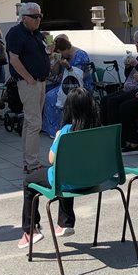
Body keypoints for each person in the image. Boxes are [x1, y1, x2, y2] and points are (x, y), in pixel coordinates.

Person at [17, 88, 100, 249]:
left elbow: (52, 159)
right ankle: (65, 222)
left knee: (29, 182)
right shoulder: (99, 128)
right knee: (66, 173)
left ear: (69, 109)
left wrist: (57, 137)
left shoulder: (66, 131)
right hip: (94, 179)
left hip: (69, 180)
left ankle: (30, 230)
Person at [5, 2, 51, 172]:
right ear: (24, 18)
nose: (38, 19)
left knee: (30, 122)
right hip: (29, 83)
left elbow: (44, 53)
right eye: (34, 16)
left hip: (40, 81)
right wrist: (29, 79)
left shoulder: (36, 33)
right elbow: (14, 60)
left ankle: (29, 161)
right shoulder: (16, 34)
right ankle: (32, 163)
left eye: (40, 16)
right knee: (34, 123)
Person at [98, 27, 138, 138]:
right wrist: (128, 66)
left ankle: (119, 136)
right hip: (129, 87)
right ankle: (109, 131)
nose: (136, 45)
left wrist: (136, 64)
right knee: (104, 100)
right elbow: (128, 76)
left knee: (113, 102)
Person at [42, 37, 93, 137]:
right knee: (47, 90)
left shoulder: (80, 55)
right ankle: (50, 127)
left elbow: (80, 76)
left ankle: (57, 128)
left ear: (65, 49)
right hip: (66, 84)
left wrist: (67, 66)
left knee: (51, 96)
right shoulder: (64, 57)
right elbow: (55, 73)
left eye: (60, 52)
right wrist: (56, 61)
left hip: (79, 85)